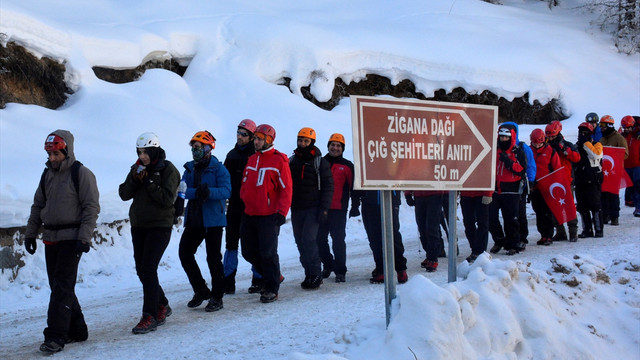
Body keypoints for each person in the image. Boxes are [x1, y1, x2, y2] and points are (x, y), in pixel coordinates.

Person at [24, 130, 100, 353]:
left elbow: (91, 207)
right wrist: (30, 233)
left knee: (61, 288)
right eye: (50, 154)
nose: (53, 158)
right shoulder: (47, 174)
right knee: (59, 287)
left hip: (72, 239)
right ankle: (78, 329)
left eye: (56, 154)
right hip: (51, 238)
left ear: (67, 151)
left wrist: (84, 238)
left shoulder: (81, 173)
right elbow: (38, 205)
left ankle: (56, 336)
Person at [119, 132, 180, 334]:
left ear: (155, 150)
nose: (142, 156)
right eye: (139, 152)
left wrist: (148, 183)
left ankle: (149, 315)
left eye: (146, 152)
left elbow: (166, 199)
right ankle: (162, 304)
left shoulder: (168, 169)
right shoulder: (137, 168)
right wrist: (135, 180)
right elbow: (123, 194)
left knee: (148, 268)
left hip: (160, 226)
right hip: (140, 226)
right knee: (141, 269)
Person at [178, 131, 231, 312]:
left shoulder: (218, 169)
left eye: (198, 147)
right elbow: (183, 191)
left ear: (208, 148)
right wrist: (196, 193)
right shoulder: (189, 168)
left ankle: (217, 296)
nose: (195, 151)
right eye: (193, 147)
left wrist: (209, 193)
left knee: (213, 259)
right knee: (185, 253)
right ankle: (201, 290)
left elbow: (226, 191)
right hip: (194, 218)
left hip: (213, 220)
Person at [240, 124, 292, 303]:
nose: (256, 142)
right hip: (249, 213)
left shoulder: (279, 160)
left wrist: (282, 212)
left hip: (269, 215)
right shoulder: (252, 159)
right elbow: (245, 184)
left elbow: (286, 189)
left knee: (268, 252)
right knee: (247, 252)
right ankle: (274, 275)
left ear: (269, 140)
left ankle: (271, 287)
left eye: (260, 139)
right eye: (255, 138)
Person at [289, 127, 334, 290]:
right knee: (299, 242)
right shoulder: (292, 160)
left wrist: (324, 209)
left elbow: (328, 186)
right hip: (296, 208)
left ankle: (316, 274)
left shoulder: (320, 162)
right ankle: (308, 273)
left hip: (313, 208)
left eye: (306, 141)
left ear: (312, 143)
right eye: (300, 140)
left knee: (309, 240)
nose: (302, 144)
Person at [222, 119, 258, 294]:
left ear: (251, 137)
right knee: (230, 244)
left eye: (244, 134)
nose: (239, 136)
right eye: (238, 132)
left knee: (252, 244)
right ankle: (228, 281)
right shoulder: (231, 155)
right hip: (234, 206)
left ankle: (258, 279)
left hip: (250, 207)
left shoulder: (256, 156)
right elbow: (224, 179)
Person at [316, 133, 355, 283]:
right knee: (319, 239)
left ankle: (340, 271)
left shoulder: (347, 165)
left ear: (342, 148)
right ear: (328, 146)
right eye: (332, 144)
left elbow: (353, 187)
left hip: (339, 208)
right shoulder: (320, 162)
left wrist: (355, 205)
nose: (335, 148)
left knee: (338, 240)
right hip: (321, 208)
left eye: (338, 145)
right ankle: (328, 264)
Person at [351, 190, 408, 283]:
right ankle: (397, 270)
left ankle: (386, 270)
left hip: (377, 199)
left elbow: (357, 179)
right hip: (382, 198)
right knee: (388, 234)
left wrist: (355, 202)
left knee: (380, 235)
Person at [489, 125, 527, 255]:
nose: (503, 139)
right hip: (495, 188)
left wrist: (508, 162)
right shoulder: (494, 149)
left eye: (506, 137)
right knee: (490, 217)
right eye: (501, 137)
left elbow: (522, 170)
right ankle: (499, 239)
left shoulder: (518, 151)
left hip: (511, 189)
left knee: (511, 219)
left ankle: (513, 244)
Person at [500, 121, 536, 246]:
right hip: (505, 186)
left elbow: (530, 165)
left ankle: (522, 237)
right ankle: (511, 238)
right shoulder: (500, 147)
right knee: (510, 214)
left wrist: (530, 181)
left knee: (520, 213)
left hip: (520, 185)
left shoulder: (521, 147)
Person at [546, 120, 580, 242]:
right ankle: (560, 232)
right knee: (554, 208)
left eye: (552, 136)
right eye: (548, 136)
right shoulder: (546, 146)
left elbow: (576, 158)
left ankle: (573, 232)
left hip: (566, 181)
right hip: (552, 181)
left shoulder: (567, 145)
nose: (550, 138)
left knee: (569, 207)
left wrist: (566, 150)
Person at [529, 128, 562, 245]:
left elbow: (557, 169)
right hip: (534, 187)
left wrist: (555, 184)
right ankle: (542, 234)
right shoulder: (528, 151)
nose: (537, 145)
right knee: (538, 210)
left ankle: (548, 235)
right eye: (535, 143)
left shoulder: (550, 151)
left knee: (547, 211)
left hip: (547, 187)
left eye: (539, 143)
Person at [574, 122, 604, 238]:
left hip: (593, 180)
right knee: (582, 206)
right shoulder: (576, 146)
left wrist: (585, 143)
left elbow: (595, 155)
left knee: (595, 205)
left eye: (585, 132)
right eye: (581, 132)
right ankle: (587, 229)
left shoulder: (597, 145)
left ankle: (598, 229)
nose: (582, 134)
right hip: (580, 180)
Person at [405, 190, 447, 272]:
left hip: (435, 195)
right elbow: (410, 177)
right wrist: (408, 194)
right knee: (422, 228)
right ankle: (429, 254)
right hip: (419, 197)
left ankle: (433, 258)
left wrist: (446, 193)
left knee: (432, 228)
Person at [599, 115, 629, 225]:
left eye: (603, 125)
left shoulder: (619, 138)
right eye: (600, 125)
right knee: (603, 194)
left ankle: (614, 216)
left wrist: (613, 154)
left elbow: (625, 154)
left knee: (613, 194)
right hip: (603, 172)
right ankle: (605, 215)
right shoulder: (602, 139)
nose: (601, 127)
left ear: (609, 125)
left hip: (614, 172)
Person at [459, 189, 492, 263]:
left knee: (482, 223)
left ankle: (480, 252)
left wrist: (488, 193)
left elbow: (489, 178)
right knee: (468, 223)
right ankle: (474, 249)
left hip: (481, 194)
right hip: (465, 195)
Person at [620, 115, 640, 217]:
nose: (626, 129)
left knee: (638, 185)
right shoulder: (622, 136)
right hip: (627, 165)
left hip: (637, 164)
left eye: (628, 127)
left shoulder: (637, 135)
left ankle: (638, 207)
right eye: (625, 128)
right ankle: (632, 202)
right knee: (630, 186)